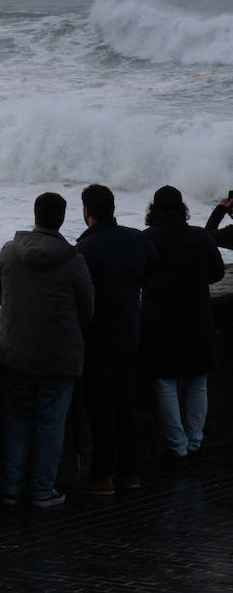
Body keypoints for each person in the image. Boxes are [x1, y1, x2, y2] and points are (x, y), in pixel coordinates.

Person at [0, 192, 94, 508]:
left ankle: (10, 490)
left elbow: (1, 296)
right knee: (51, 423)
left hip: (16, 353)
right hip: (59, 356)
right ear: (62, 220)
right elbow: (88, 309)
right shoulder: (73, 260)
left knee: (16, 421)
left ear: (35, 216)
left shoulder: (9, 252)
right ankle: (41, 490)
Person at [72, 184, 158, 494]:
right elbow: (153, 267)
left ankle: (102, 475)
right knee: (126, 403)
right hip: (129, 333)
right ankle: (130, 473)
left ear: (87, 211)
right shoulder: (136, 239)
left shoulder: (85, 249)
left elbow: (79, 295)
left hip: (97, 338)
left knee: (100, 407)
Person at [142, 185, 225, 466]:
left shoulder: (146, 239)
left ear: (154, 210)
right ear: (182, 209)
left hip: (159, 320)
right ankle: (194, 442)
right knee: (197, 382)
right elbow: (217, 273)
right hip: (197, 318)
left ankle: (176, 447)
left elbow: (138, 276)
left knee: (165, 382)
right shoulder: (199, 237)